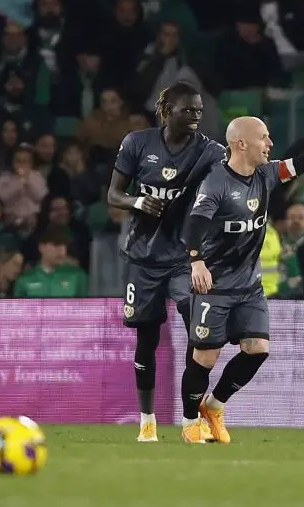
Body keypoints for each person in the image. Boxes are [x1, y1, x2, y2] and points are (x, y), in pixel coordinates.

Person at [179, 109, 304, 444]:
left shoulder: (267, 175)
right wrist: (197, 262)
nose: (270, 143)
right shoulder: (216, 182)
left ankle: (214, 406)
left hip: (250, 286)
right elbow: (193, 225)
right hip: (215, 285)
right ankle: (188, 423)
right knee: (204, 359)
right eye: (263, 137)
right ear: (241, 144)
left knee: (258, 349)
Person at [106, 81, 227, 443]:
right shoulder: (137, 143)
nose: (194, 117)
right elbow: (113, 194)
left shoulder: (211, 152)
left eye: (199, 111)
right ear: (167, 111)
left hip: (186, 259)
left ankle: (192, 417)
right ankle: (148, 420)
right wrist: (137, 203)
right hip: (143, 257)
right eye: (187, 110)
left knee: (199, 334)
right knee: (146, 339)